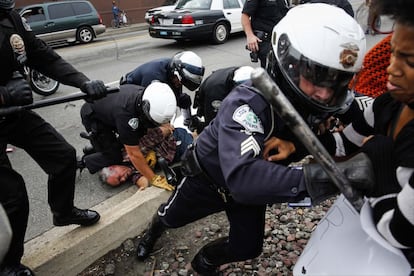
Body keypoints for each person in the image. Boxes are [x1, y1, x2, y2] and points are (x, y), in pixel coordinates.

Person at [134, 4, 370, 275]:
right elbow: (244, 177)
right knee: (171, 217)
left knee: (248, 247)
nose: (326, 93)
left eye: (338, 80)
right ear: (289, 62)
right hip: (208, 181)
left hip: (250, 193)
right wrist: (331, 178)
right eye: (317, 76)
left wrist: (301, 144)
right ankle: (153, 232)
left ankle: (205, 261)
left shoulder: (328, 99)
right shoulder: (248, 102)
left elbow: (376, 113)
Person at [0, 0, 108, 274]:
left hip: (14, 114)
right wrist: (3, 94)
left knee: (62, 156)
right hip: (6, 105)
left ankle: (63, 212)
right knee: (13, 196)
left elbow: (41, 54)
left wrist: (82, 81)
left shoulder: (9, 17)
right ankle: (8, 263)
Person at [78, 82, 178, 192]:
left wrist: (165, 126)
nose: (124, 178)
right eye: (121, 180)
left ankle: (95, 148)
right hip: (95, 116)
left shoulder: (147, 97)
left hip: (111, 110)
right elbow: (134, 153)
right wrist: (154, 179)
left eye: (119, 178)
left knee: (136, 134)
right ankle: (83, 162)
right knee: (113, 154)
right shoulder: (126, 116)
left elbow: (157, 126)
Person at [120, 51, 205, 127]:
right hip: (131, 95)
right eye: (180, 81)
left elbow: (177, 97)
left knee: (184, 99)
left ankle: (188, 122)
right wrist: (165, 128)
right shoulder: (153, 77)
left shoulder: (175, 70)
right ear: (175, 72)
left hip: (161, 83)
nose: (180, 84)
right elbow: (148, 109)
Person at [98, 126, 194, 188]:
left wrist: (168, 129)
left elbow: (160, 133)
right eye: (121, 182)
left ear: (113, 167)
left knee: (199, 150)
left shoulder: (129, 154)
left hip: (174, 141)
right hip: (175, 155)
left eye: (119, 177)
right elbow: (141, 181)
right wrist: (141, 191)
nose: (123, 179)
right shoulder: (132, 173)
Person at [192, 66, 254, 133]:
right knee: (217, 128)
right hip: (211, 95)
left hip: (222, 83)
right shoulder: (217, 91)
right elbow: (216, 123)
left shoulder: (246, 74)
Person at [241, 0, 289, 68]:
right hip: (266, 42)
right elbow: (245, 16)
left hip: (281, 41)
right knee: (270, 72)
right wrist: (250, 36)